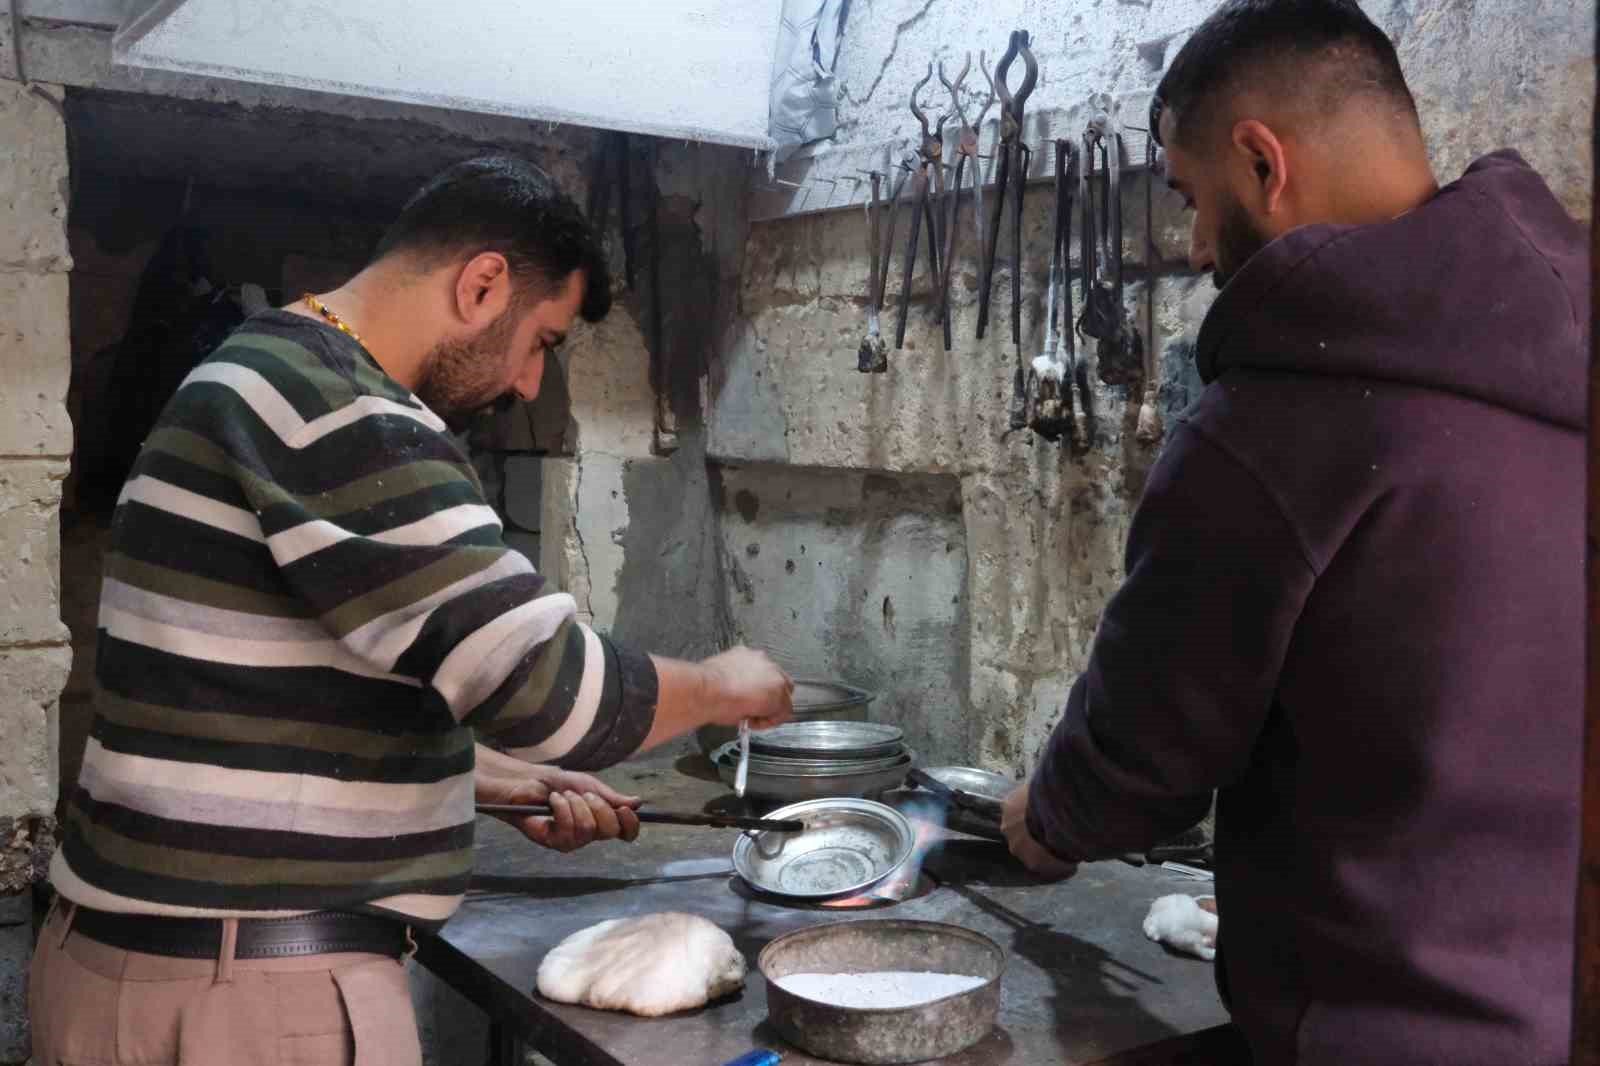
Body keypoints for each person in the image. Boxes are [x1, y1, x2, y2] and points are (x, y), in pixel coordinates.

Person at [30, 155, 795, 1066]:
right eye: (542, 342)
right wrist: (725, 685)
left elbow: (263, 700)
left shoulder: (260, 374)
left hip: (165, 973)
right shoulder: (344, 409)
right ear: (481, 285)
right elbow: (558, 695)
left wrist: (479, 778)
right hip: (244, 1004)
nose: (526, 385)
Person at [1000, 1, 1586, 1062]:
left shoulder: (1274, 426)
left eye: (1190, 198)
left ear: (1262, 162)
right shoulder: (1559, 357)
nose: (1189, 243)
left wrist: (1046, 817)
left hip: (1370, 1030)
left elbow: (1147, 744)